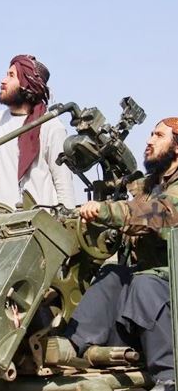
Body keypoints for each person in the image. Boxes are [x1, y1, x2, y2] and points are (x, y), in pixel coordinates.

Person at [58, 118, 178, 390]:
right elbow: (128, 207)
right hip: (153, 280)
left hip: (169, 278)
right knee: (112, 275)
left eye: (158, 135)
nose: (149, 140)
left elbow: (154, 214)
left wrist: (105, 211)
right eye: (150, 134)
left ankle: (169, 376)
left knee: (144, 283)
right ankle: (73, 347)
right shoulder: (149, 186)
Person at [0, 55, 75, 211]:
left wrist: (68, 218)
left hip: (36, 221)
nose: (3, 81)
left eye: (11, 76)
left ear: (27, 84)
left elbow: (63, 181)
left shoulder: (50, 125)